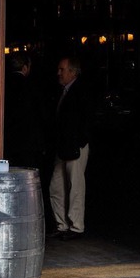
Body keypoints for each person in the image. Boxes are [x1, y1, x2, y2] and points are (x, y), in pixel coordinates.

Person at [50, 56, 92, 241]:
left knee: (75, 187)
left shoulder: (81, 91)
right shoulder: (64, 91)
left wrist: (79, 142)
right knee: (56, 187)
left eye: (62, 69)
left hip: (75, 146)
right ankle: (62, 225)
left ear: (73, 72)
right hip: (63, 147)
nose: (58, 73)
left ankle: (76, 227)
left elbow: (86, 120)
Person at [3, 53, 47, 176]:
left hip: (8, 142)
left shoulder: (2, 85)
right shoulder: (32, 87)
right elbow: (41, 115)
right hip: (29, 144)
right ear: (25, 67)